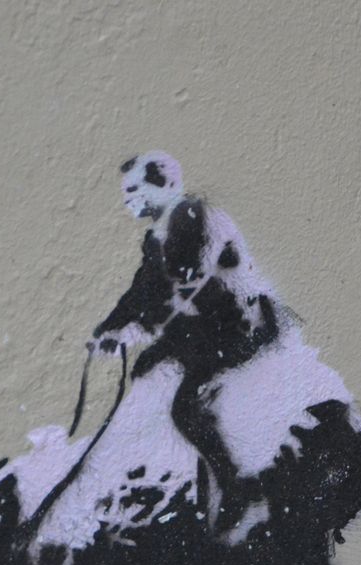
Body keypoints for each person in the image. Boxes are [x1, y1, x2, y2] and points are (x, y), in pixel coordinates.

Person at [93, 151, 280, 531]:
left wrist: (132, 333)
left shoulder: (191, 217)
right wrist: (108, 329)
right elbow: (142, 290)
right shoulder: (159, 233)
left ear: (164, 184)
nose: (128, 201)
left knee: (185, 408)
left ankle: (234, 487)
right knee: (146, 370)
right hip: (203, 327)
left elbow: (177, 289)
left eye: (134, 191)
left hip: (238, 326)